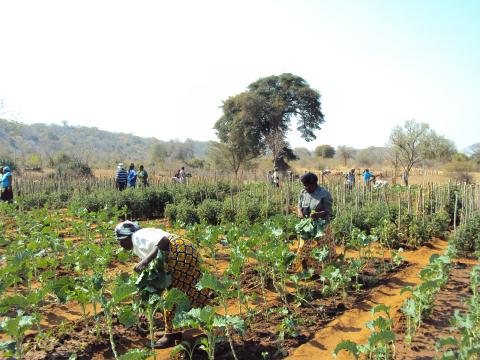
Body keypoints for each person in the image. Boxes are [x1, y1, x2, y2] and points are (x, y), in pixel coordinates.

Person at [115, 221, 210, 348]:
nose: (120, 244)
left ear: (127, 236)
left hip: (177, 251)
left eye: (120, 240)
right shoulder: (144, 234)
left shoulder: (137, 237)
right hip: (186, 249)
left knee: (172, 296)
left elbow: (164, 241)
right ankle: (208, 324)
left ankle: (170, 336)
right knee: (192, 289)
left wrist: (145, 261)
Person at [295, 172, 334, 272]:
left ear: (314, 184)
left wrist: (318, 214)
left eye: (307, 185)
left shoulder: (324, 193)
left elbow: (328, 211)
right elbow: (299, 205)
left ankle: (323, 272)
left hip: (321, 226)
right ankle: (305, 271)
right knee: (303, 249)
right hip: (306, 226)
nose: (305, 187)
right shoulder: (303, 192)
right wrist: (299, 212)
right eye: (304, 185)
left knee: (323, 250)